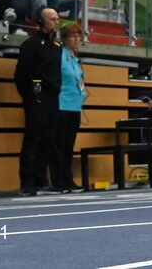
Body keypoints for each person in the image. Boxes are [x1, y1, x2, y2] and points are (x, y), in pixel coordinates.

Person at [14, 8, 62, 195]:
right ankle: (27, 182)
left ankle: (42, 180)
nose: (56, 22)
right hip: (36, 98)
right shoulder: (31, 44)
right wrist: (30, 96)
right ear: (41, 22)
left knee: (48, 139)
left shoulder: (57, 46)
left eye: (57, 19)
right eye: (52, 19)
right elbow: (20, 75)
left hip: (53, 97)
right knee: (33, 139)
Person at [55, 23, 87, 193]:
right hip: (62, 105)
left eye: (78, 36)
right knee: (59, 145)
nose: (76, 39)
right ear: (65, 38)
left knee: (69, 145)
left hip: (75, 106)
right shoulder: (60, 55)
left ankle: (68, 179)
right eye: (72, 36)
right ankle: (60, 180)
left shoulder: (75, 58)